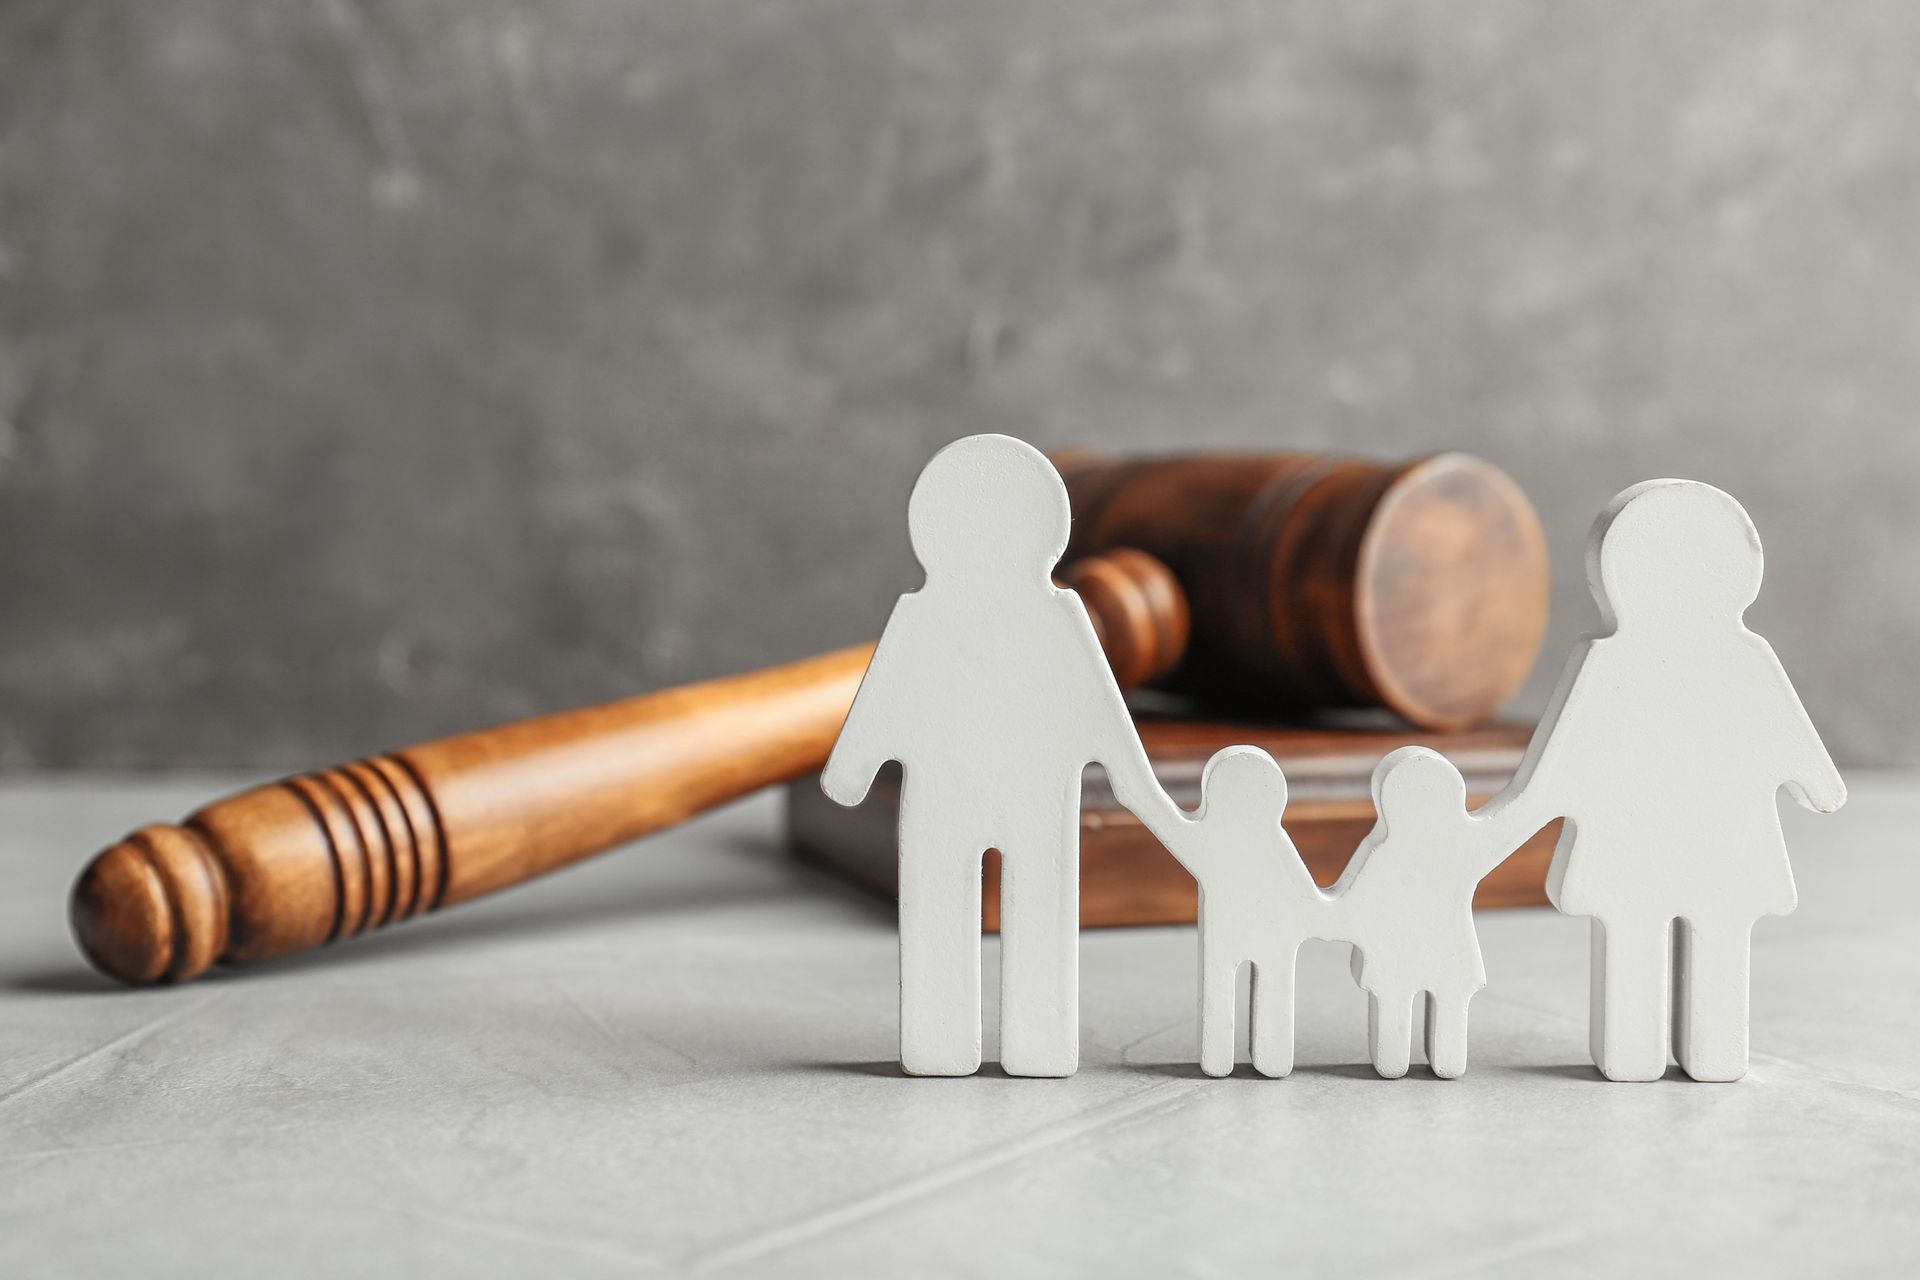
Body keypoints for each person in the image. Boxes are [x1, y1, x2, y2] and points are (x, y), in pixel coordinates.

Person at [820, 435, 1173, 1078]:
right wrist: (1133, 782)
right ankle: (947, 1039)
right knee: (950, 908)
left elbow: (1093, 706)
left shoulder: (1050, 614)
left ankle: (1016, 1039)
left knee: (1028, 906)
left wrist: (852, 771)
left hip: (1018, 797)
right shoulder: (929, 617)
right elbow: (889, 700)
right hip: (970, 797)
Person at [1511, 480, 1846, 1082]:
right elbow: (1564, 759)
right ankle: (1656, 1051)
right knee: (1653, 935)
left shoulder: (1729, 659)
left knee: (1683, 937)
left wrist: (1515, 816)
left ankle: (1687, 1051)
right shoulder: (1625, 661)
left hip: (1681, 844)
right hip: (1691, 843)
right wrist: (1817, 787)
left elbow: (1555, 771)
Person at [1335, 748, 1546, 1079]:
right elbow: (1509, 826)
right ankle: (1412, 1058)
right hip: (1430, 952)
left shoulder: (1391, 852)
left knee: (1423, 1001)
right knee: (1419, 1001)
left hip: (1414, 953)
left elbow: (1351, 901)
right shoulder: (1442, 846)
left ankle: (1412, 1058)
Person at [1144, 746, 1332, 1078]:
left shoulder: (1257, 840)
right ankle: (1241, 1056)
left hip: (1253, 935)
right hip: (1253, 935)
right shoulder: (1262, 839)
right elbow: (1304, 890)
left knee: (1250, 988)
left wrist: (1141, 797)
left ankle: (1247, 1056)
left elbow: (1172, 829)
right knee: (1249, 988)